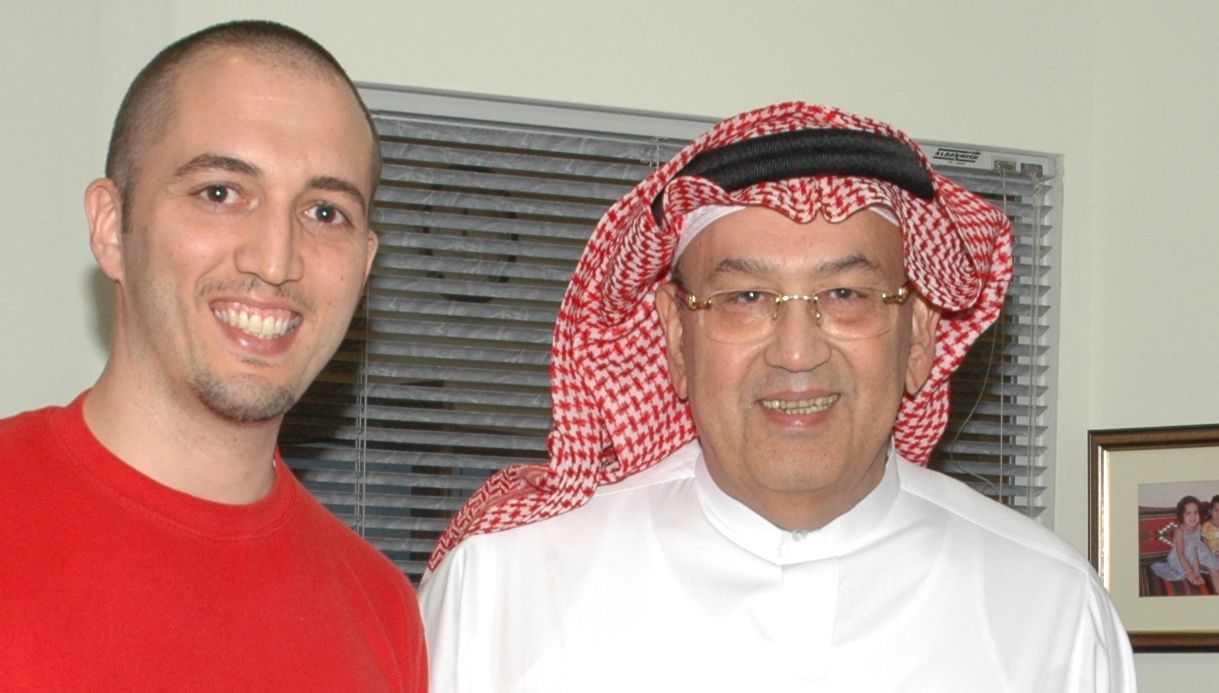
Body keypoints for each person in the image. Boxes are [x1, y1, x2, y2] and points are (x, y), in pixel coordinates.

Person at [418, 102, 1136, 691]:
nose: (797, 352)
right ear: (676, 337)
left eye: (846, 294)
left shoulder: (1050, 607)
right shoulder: (503, 587)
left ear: (918, 335)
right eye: (746, 297)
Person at [0, 20, 426, 691]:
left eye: (324, 213)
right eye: (220, 193)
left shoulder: (382, 611)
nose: (275, 260)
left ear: (365, 265)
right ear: (111, 227)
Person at [1151, 495, 1219, 591]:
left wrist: (1211, 557)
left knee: (1212, 565)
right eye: (1188, 513)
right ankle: (1195, 575)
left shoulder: (1199, 526)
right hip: (1180, 559)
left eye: (1195, 512)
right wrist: (1189, 572)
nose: (1193, 516)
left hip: (1195, 555)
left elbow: (1200, 546)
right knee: (1192, 544)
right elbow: (1180, 553)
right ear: (1182, 515)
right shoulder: (1180, 530)